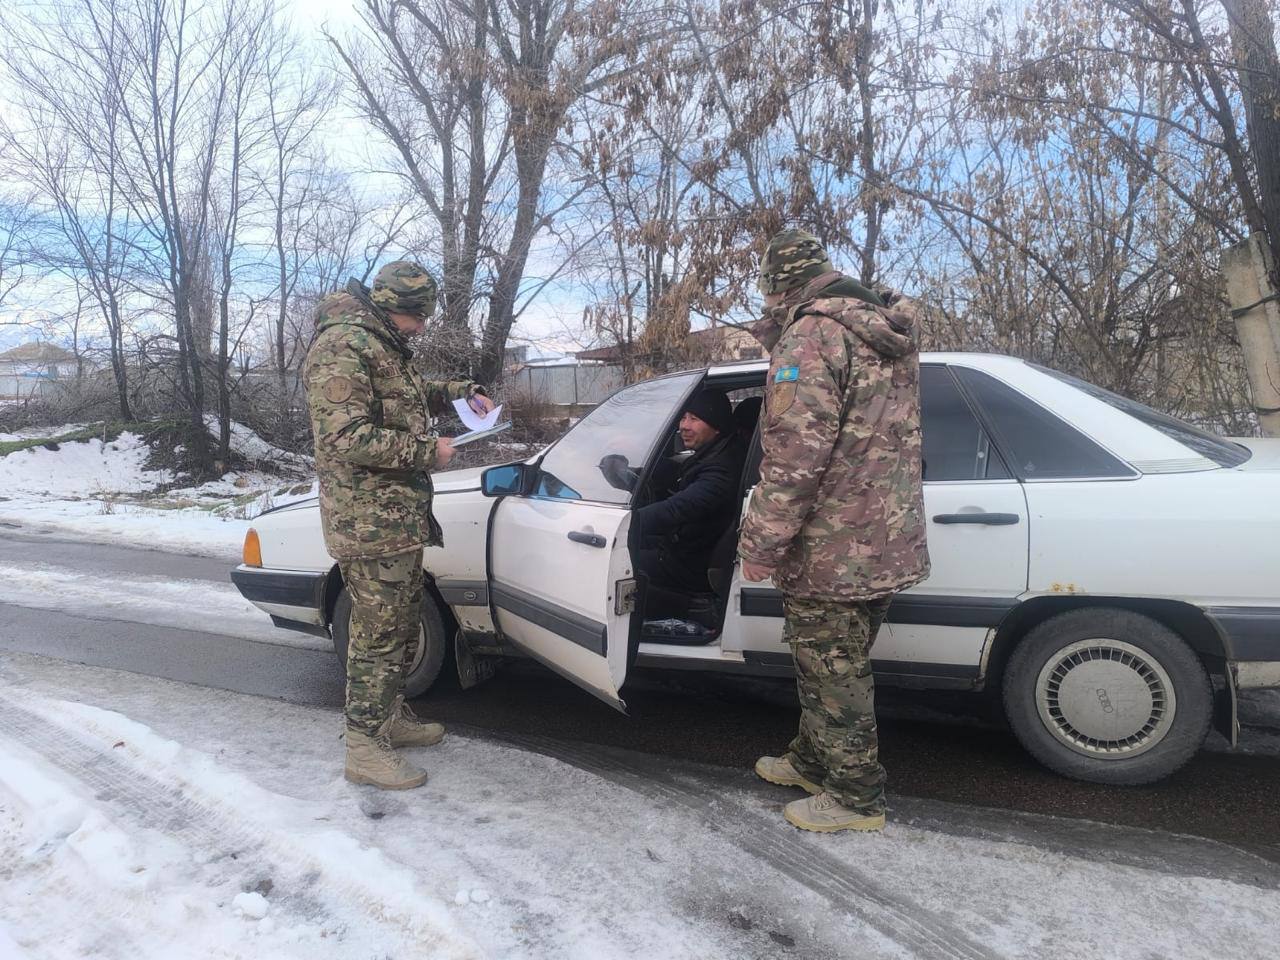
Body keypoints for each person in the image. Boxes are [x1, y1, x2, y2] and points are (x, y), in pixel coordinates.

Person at [738, 229, 930, 833]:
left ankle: (854, 797)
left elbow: (797, 455)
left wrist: (760, 543)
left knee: (834, 672)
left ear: (779, 285)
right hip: (885, 535)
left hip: (833, 545)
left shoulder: (812, 335)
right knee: (830, 663)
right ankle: (811, 760)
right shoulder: (883, 334)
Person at [304, 260, 494, 790]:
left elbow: (404, 391)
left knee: (400, 624)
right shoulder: (343, 345)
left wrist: (460, 390)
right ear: (393, 308)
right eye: (419, 317)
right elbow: (343, 438)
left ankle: (386, 717)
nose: (424, 327)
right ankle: (364, 746)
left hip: (395, 518)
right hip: (368, 521)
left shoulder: (379, 343)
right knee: (379, 632)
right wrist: (425, 452)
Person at [633, 390, 745, 628]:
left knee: (616, 565)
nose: (684, 426)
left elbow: (677, 508)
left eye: (694, 418)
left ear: (717, 425)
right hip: (688, 544)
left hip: (691, 561)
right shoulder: (717, 452)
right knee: (634, 544)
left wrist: (625, 523)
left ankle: (695, 609)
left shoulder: (722, 469)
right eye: (683, 418)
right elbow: (678, 476)